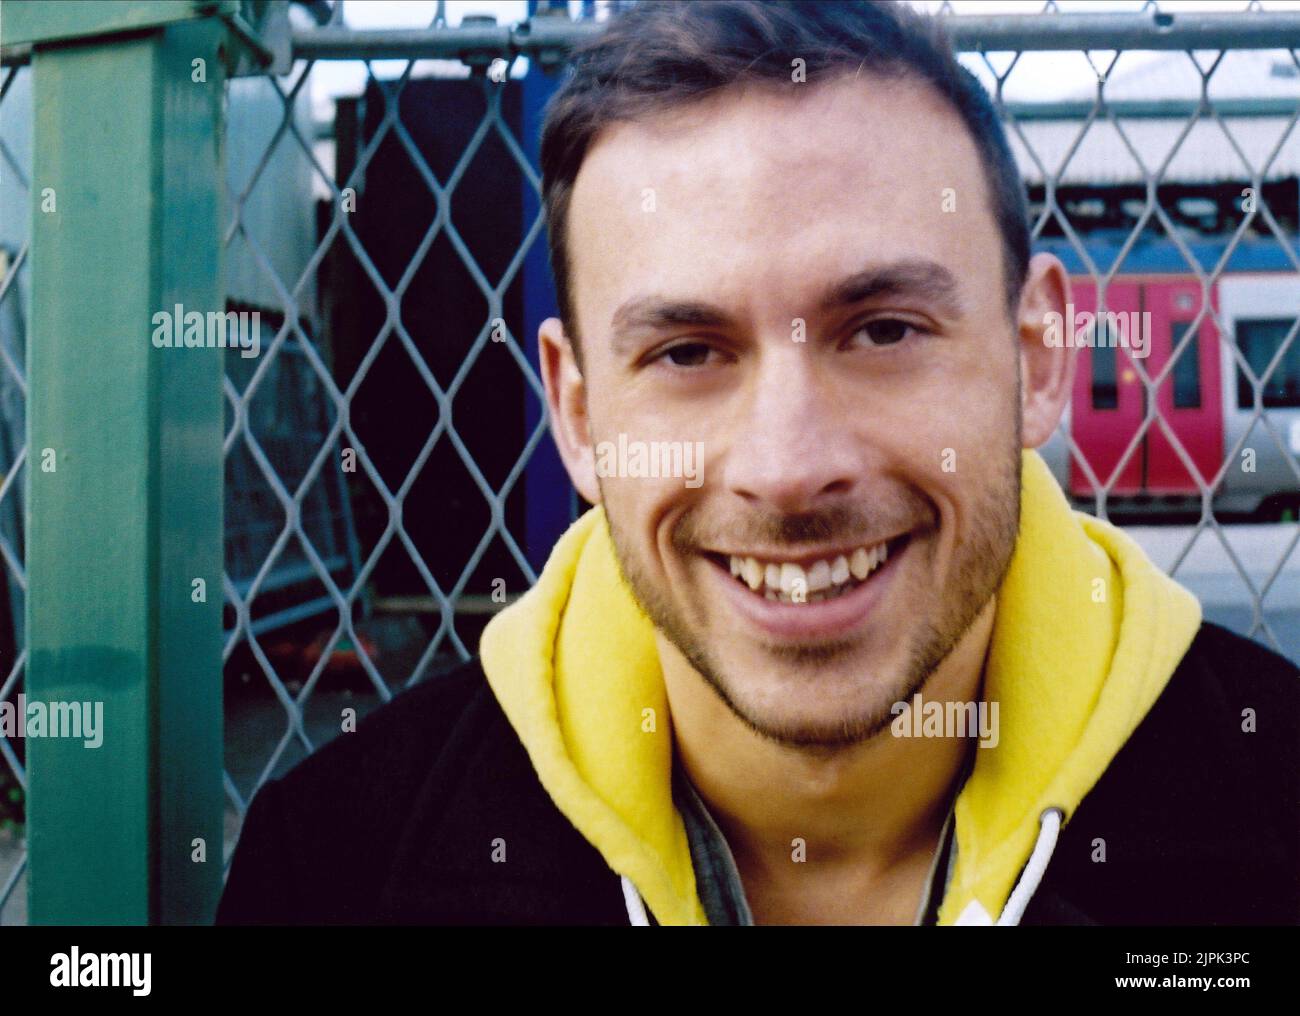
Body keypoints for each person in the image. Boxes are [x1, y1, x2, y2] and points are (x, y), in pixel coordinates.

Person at [216, 0, 1299, 926]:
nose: (787, 468)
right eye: (687, 353)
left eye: (883, 330)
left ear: (1037, 357)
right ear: (579, 415)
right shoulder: (332, 867)